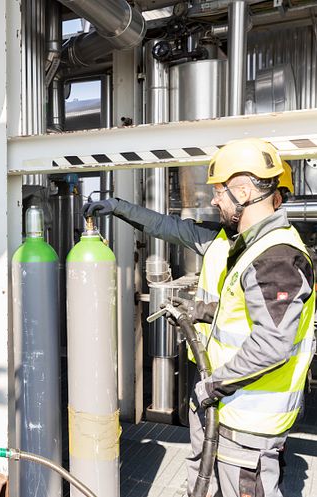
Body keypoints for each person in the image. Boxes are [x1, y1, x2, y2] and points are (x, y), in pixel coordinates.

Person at [83, 138, 314, 497]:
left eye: (220, 191)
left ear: (244, 191)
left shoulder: (277, 259)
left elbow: (272, 344)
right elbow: (166, 227)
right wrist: (116, 207)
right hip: (223, 404)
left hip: (245, 415)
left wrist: (211, 386)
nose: (214, 199)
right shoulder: (233, 242)